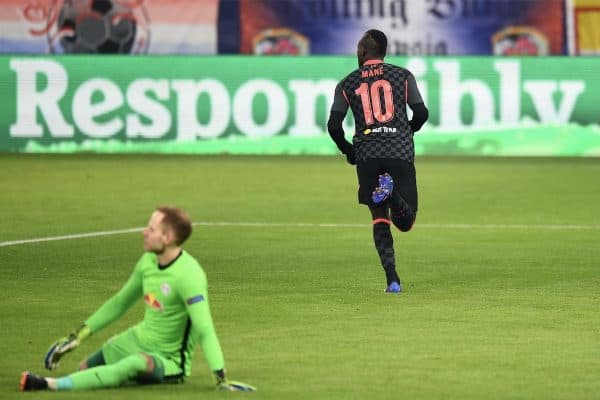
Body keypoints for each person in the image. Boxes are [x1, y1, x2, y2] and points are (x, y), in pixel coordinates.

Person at [20, 206, 255, 392]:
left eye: (151, 229)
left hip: (168, 359)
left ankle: (47, 385)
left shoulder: (189, 275)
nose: (144, 232)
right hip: (138, 339)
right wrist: (78, 336)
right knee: (86, 369)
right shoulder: (148, 262)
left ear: (168, 237)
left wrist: (220, 377)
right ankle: (78, 379)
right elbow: (120, 302)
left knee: (132, 364)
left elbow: (204, 328)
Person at [327, 29, 429, 293]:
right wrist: (407, 130)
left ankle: (392, 279)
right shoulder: (403, 76)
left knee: (379, 218)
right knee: (405, 223)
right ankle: (393, 195)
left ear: (362, 51)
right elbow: (421, 112)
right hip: (399, 151)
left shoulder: (347, 83)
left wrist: (349, 151)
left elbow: (334, 126)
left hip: (368, 155)